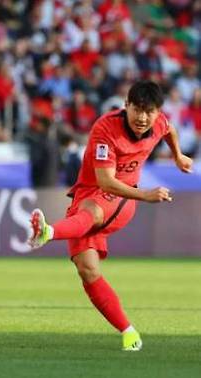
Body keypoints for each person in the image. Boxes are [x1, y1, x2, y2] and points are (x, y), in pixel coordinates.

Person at [28, 81, 194, 351]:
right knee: (88, 270)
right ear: (126, 106)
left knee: (91, 211)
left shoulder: (159, 122)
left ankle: (48, 233)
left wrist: (178, 156)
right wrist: (148, 195)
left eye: (149, 111)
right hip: (96, 191)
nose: (142, 117)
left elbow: (169, 129)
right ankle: (129, 333)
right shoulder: (106, 129)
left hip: (122, 199)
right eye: (137, 109)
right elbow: (104, 182)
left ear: (158, 112)